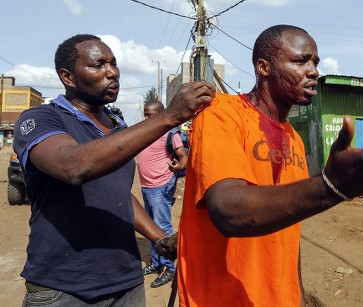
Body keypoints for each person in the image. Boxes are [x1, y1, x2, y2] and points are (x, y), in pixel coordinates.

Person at [175, 25, 363, 306]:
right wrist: (330, 187)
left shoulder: (294, 140)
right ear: (264, 67)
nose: (313, 71)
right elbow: (229, 212)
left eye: (315, 62)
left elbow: (288, 231)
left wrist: (297, 295)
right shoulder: (220, 114)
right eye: (300, 61)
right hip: (219, 298)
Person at [13, 34, 215, 306]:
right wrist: (169, 117)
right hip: (64, 289)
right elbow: (73, 166)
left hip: (126, 285)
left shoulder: (119, 127)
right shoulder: (42, 119)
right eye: (98, 65)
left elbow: (117, 195)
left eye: (114, 63)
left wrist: (160, 239)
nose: (113, 72)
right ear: (68, 77)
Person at [137, 100, 187, 288]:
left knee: (161, 225)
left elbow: (183, 157)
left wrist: (178, 166)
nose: (148, 118)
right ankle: (156, 263)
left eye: (151, 114)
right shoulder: (145, 132)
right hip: (147, 186)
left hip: (160, 185)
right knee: (150, 225)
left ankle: (168, 267)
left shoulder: (169, 133)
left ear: (161, 113)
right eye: (145, 114)